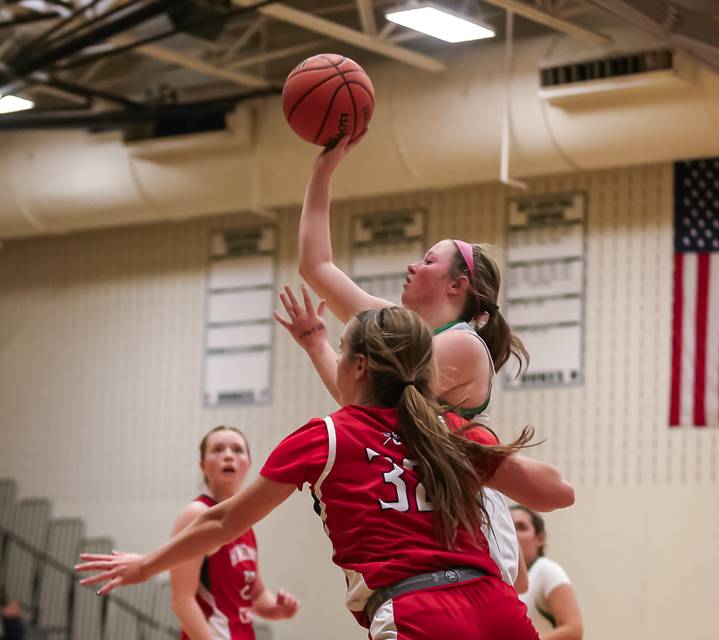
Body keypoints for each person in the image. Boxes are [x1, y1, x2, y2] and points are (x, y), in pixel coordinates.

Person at [76, 307, 574, 640]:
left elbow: (220, 522)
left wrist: (146, 566)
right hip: (495, 608)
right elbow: (558, 493)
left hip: (418, 610)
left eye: (339, 349)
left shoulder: (327, 435)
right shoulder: (447, 430)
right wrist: (478, 445)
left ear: (357, 366)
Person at [282, 138, 530, 591]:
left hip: (468, 523)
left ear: (457, 284)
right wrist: (323, 172)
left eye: (429, 259)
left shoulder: (464, 345)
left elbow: (362, 395)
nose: (413, 266)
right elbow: (316, 264)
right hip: (430, 516)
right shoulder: (410, 336)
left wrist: (319, 344)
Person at [171, 426, 299, 640]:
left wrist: (277, 609)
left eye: (237, 450)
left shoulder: (245, 524)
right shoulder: (196, 515)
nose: (228, 456)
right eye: (218, 449)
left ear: (249, 464)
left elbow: (256, 596)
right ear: (202, 465)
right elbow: (181, 600)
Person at [511, 506, 583, 640]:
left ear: (540, 538)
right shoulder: (503, 577)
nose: (514, 533)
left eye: (521, 527)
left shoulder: (546, 570)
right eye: (509, 526)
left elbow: (573, 630)